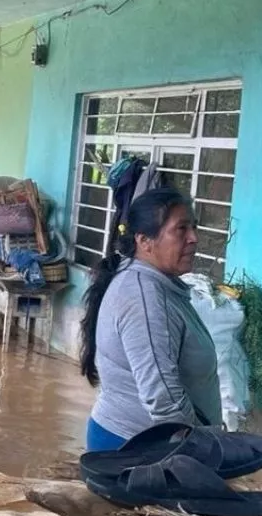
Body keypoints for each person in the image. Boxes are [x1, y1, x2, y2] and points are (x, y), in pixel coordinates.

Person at [79, 186, 222, 451]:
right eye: (181, 229)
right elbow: (163, 398)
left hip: (142, 443)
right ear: (144, 241)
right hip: (136, 451)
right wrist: (203, 453)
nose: (194, 238)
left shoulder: (153, 283)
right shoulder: (144, 299)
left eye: (194, 227)